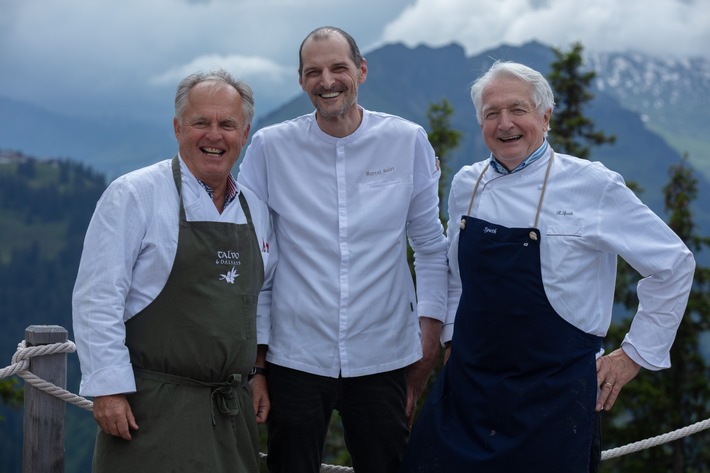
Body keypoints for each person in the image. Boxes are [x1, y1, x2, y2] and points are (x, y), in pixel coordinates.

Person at [400, 61, 696, 473]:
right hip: (467, 391)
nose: (505, 124)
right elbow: (456, 276)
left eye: (517, 110)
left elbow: (674, 265)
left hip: (554, 400)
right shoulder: (467, 184)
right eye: (491, 114)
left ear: (546, 115)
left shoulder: (593, 185)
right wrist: (451, 339)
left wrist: (632, 356)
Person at [237, 26, 447, 473]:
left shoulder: (406, 141)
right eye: (313, 71)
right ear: (300, 81)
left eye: (338, 68)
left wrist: (428, 342)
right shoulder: (270, 148)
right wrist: (257, 364)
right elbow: (255, 255)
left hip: (384, 354)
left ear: (362, 71)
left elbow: (430, 247)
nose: (327, 80)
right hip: (294, 355)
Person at [72, 69, 273, 473]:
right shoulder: (134, 194)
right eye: (201, 122)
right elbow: (98, 297)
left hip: (231, 415)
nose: (214, 136)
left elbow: (260, 296)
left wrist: (256, 371)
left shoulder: (255, 208)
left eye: (227, 125)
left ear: (245, 132)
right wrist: (107, 388)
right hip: (151, 410)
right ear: (178, 127)